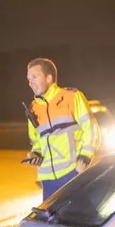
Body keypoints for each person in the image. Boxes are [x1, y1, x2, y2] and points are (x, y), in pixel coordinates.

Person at [23, 58, 100, 200]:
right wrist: (34, 155)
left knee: (79, 218)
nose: (30, 82)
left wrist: (83, 161)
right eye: (28, 79)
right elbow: (36, 143)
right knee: (54, 221)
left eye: (34, 77)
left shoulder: (72, 97)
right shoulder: (33, 108)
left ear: (49, 78)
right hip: (48, 180)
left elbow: (91, 129)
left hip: (73, 173)